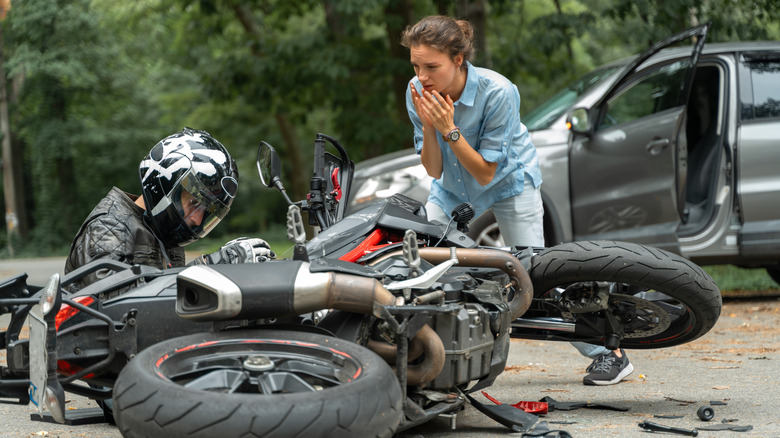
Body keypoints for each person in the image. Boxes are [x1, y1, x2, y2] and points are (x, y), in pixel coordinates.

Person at [401, 15, 632, 385]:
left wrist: (449, 129)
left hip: (509, 182)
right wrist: (430, 125)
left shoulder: (498, 91)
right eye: (416, 66)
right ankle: (428, 357)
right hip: (451, 187)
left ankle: (609, 352)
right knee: (422, 264)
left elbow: (485, 173)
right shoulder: (417, 91)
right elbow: (433, 168)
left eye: (431, 66)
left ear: (458, 60)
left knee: (534, 275)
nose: (421, 76)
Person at [64, 127, 274, 292]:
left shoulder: (162, 232)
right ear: (164, 182)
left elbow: (170, 305)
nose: (197, 219)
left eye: (206, 212)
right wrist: (207, 267)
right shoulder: (109, 227)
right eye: (194, 203)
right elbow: (119, 304)